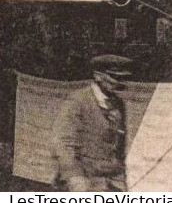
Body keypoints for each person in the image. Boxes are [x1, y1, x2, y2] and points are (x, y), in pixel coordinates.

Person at [51, 53, 131, 192]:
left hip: (112, 181)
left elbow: (118, 148)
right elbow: (63, 142)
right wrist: (75, 177)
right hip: (84, 179)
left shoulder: (118, 104)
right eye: (115, 77)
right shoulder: (78, 101)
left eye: (122, 78)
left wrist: (121, 179)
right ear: (98, 76)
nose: (120, 82)